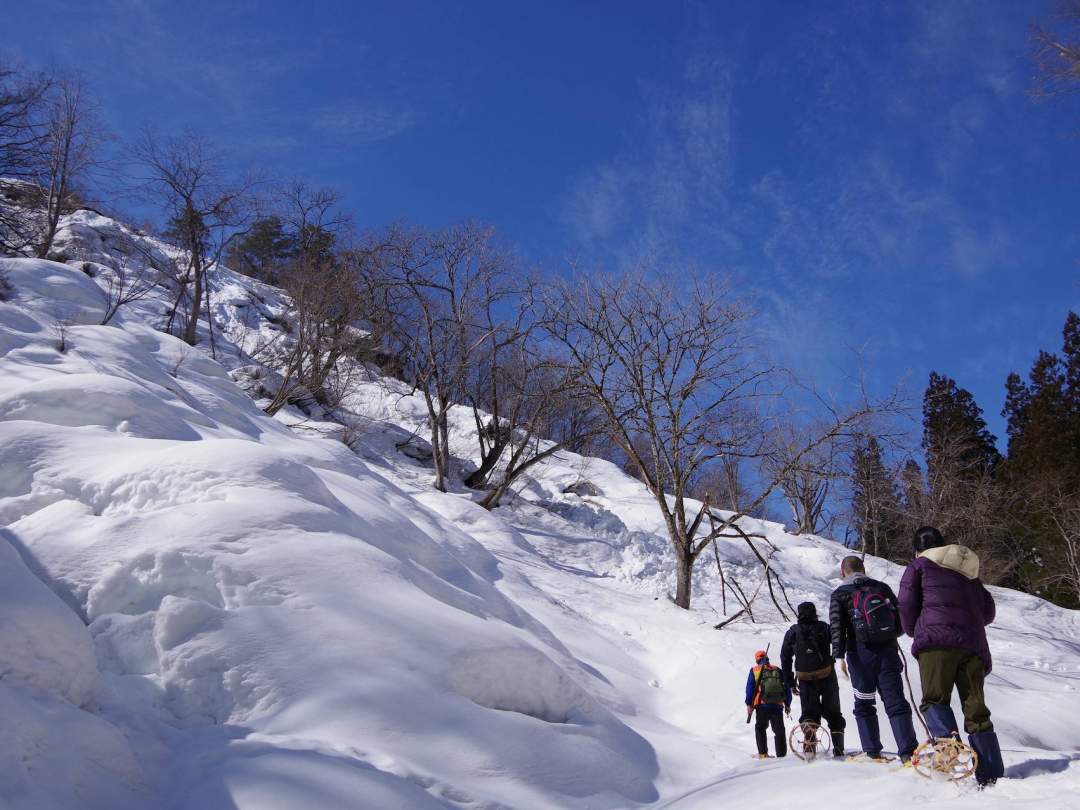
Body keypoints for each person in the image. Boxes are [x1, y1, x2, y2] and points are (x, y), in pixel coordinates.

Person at [898, 526, 1004, 788]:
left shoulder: (919, 565)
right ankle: (991, 775)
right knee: (976, 709)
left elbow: (906, 602)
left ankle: (949, 752)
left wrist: (915, 629)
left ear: (918, 548)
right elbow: (988, 612)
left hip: (936, 643)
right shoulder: (969, 573)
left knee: (935, 699)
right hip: (973, 646)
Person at [829, 555, 917, 762]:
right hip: (887, 653)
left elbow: (836, 626)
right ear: (864, 568)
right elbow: (899, 621)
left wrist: (838, 656)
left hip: (859, 656)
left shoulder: (840, 594)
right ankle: (908, 752)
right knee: (895, 701)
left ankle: (872, 750)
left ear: (843, 571)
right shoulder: (881, 588)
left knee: (864, 703)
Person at [781, 602, 846, 757]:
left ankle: (810, 745)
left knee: (809, 713)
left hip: (805, 677)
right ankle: (838, 748)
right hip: (827, 674)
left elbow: (785, 657)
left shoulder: (793, 632)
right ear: (814, 612)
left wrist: (790, 682)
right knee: (834, 712)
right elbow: (838, 640)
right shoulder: (823, 627)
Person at [744, 649, 791, 759]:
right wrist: (787, 703)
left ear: (757, 660)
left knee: (760, 728)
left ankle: (763, 754)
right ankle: (782, 756)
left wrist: (749, 704)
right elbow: (786, 688)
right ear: (767, 659)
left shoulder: (754, 670)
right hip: (777, 705)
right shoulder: (777, 670)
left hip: (762, 705)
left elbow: (750, 689)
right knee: (779, 730)